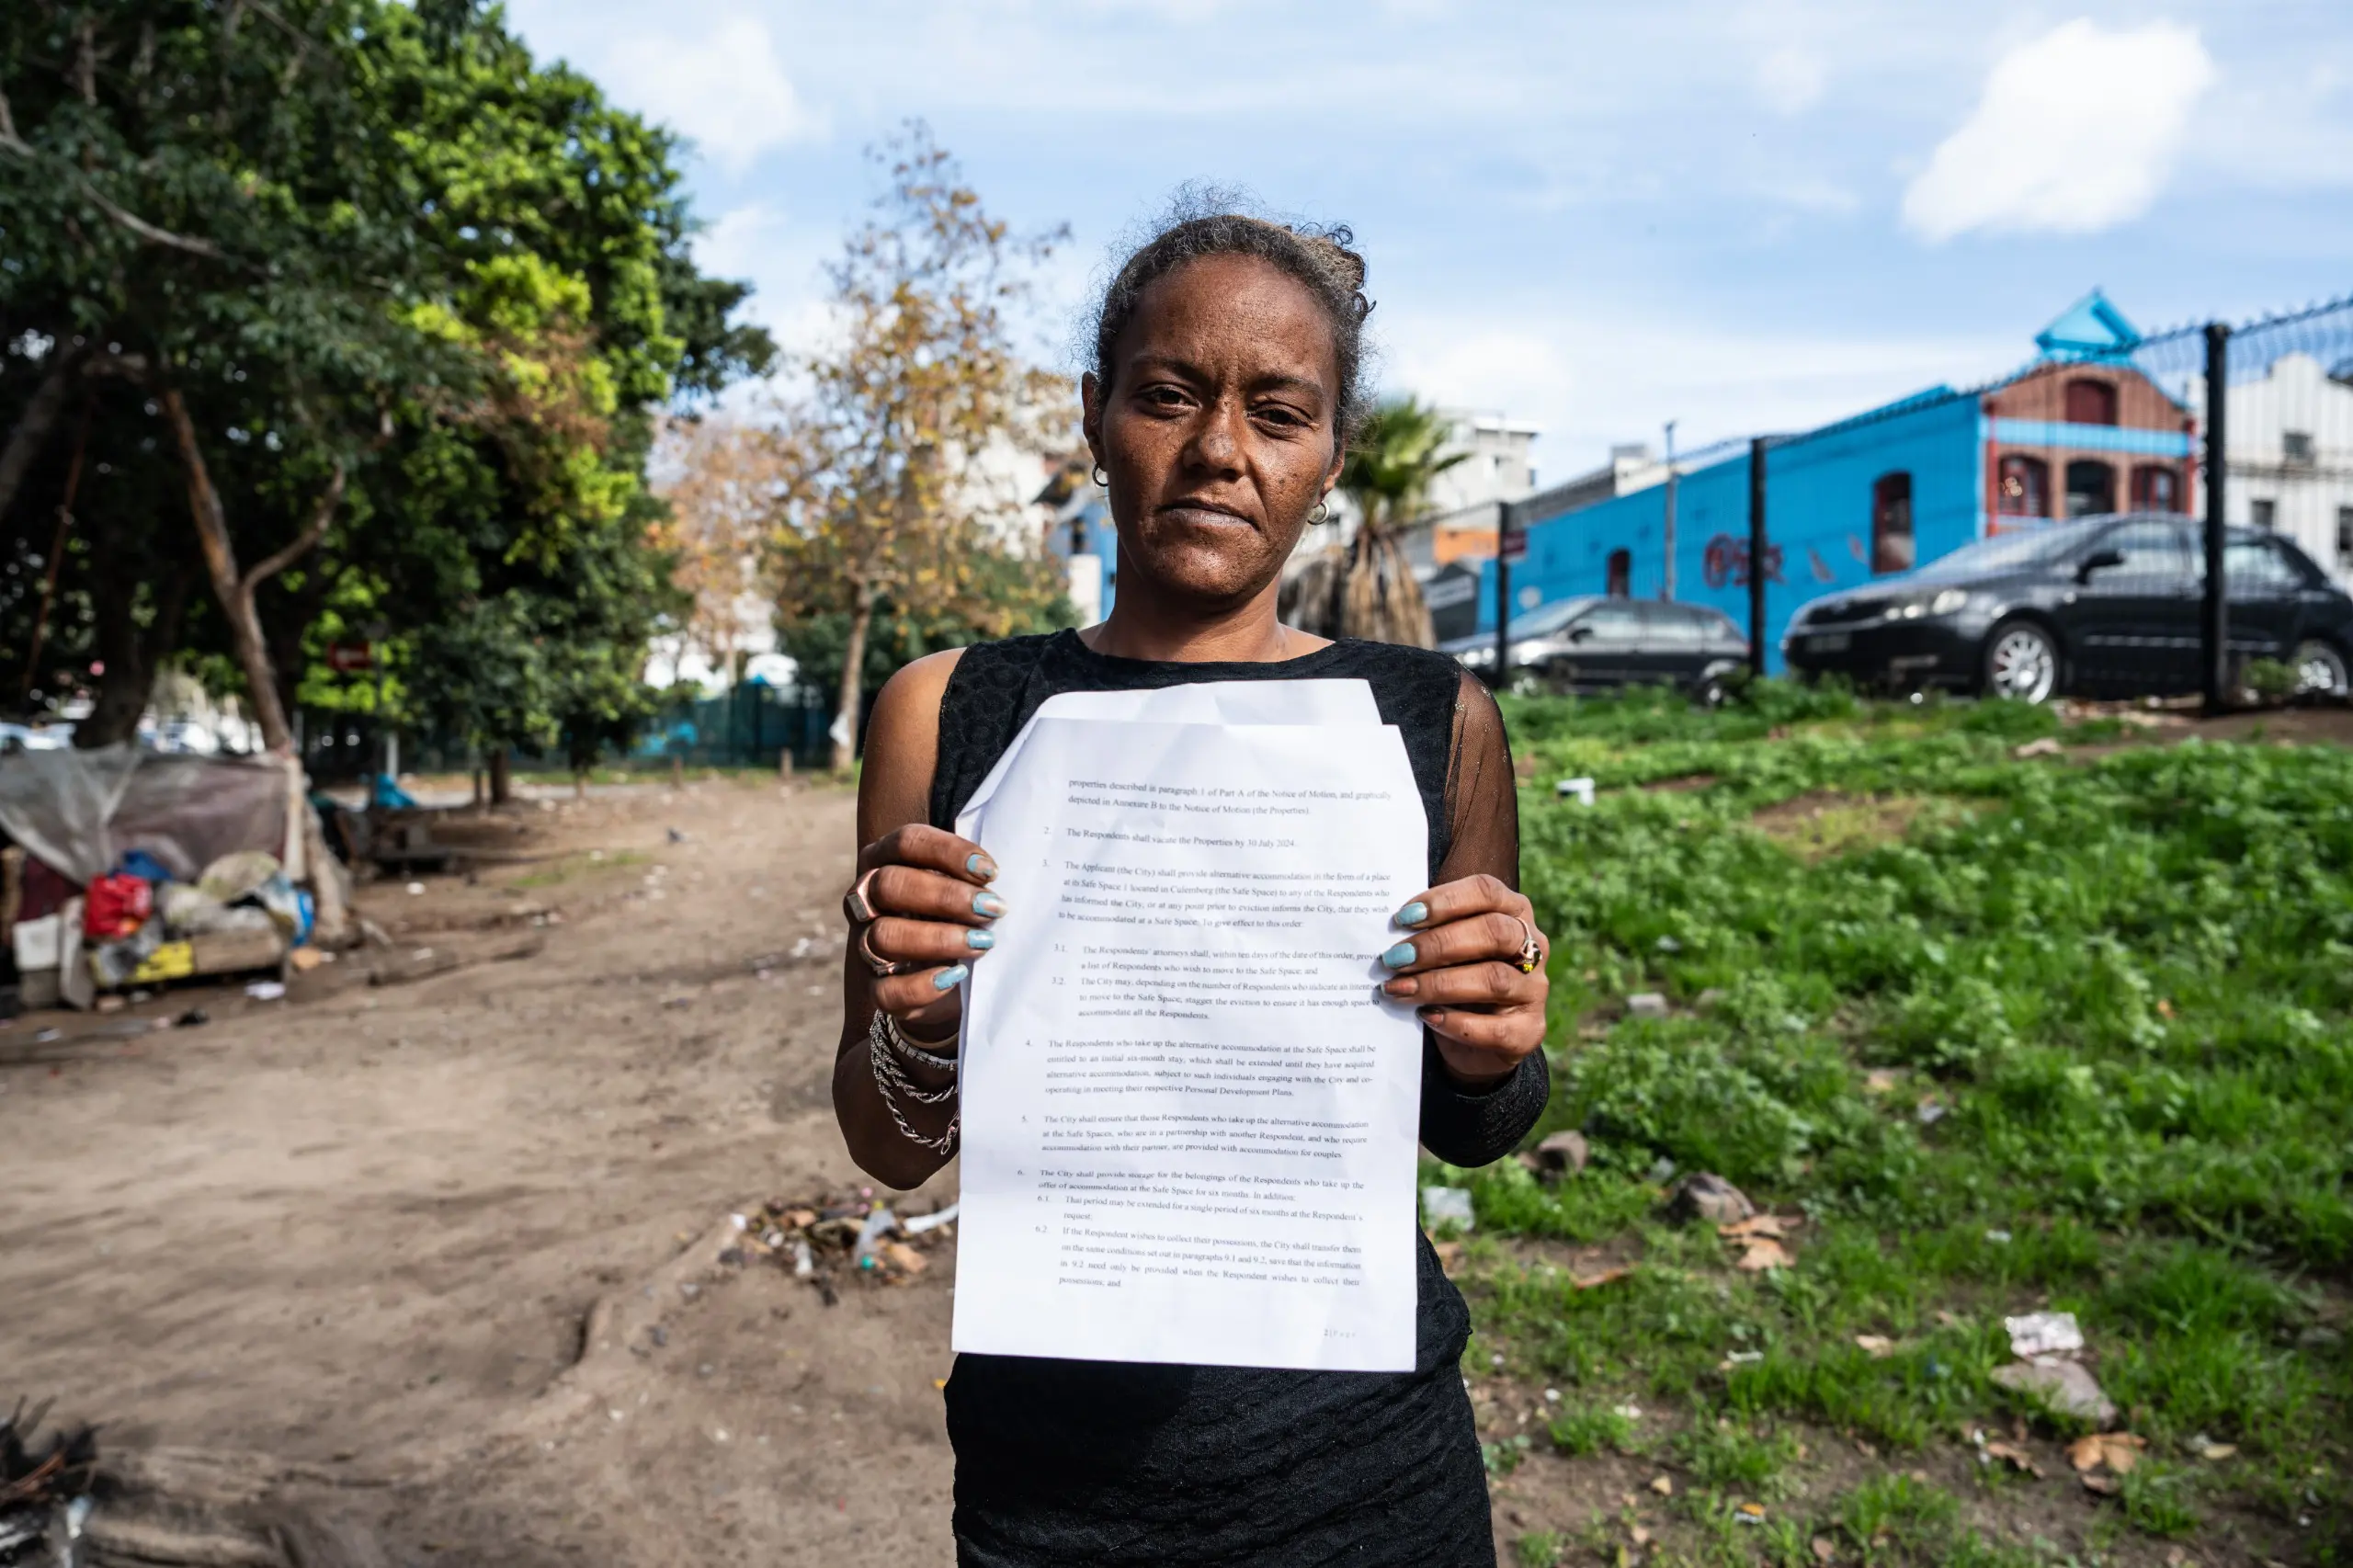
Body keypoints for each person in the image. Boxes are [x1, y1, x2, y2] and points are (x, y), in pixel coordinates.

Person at [834, 206, 1552, 1567]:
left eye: (1280, 413)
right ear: (1097, 417)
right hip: (1052, 1491)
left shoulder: (1430, 718)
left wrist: (1491, 1043)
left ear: (1332, 457)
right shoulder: (948, 712)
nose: (1221, 448)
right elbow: (885, 1140)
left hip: (1370, 1479)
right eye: (1170, 395)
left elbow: (1478, 1126)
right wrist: (916, 1022)